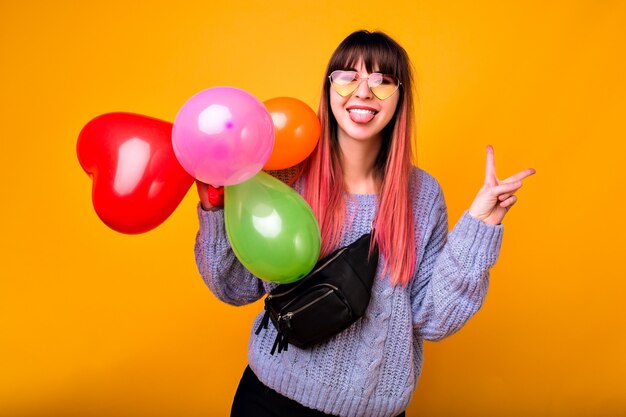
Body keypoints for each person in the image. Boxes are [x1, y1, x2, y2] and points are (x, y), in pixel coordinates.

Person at [194, 30, 535, 417]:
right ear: (329, 87)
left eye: (382, 81)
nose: (363, 91)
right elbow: (235, 288)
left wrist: (480, 225)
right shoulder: (285, 174)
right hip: (270, 401)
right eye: (347, 76)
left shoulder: (423, 195)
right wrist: (216, 211)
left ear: (399, 96)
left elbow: (434, 319)